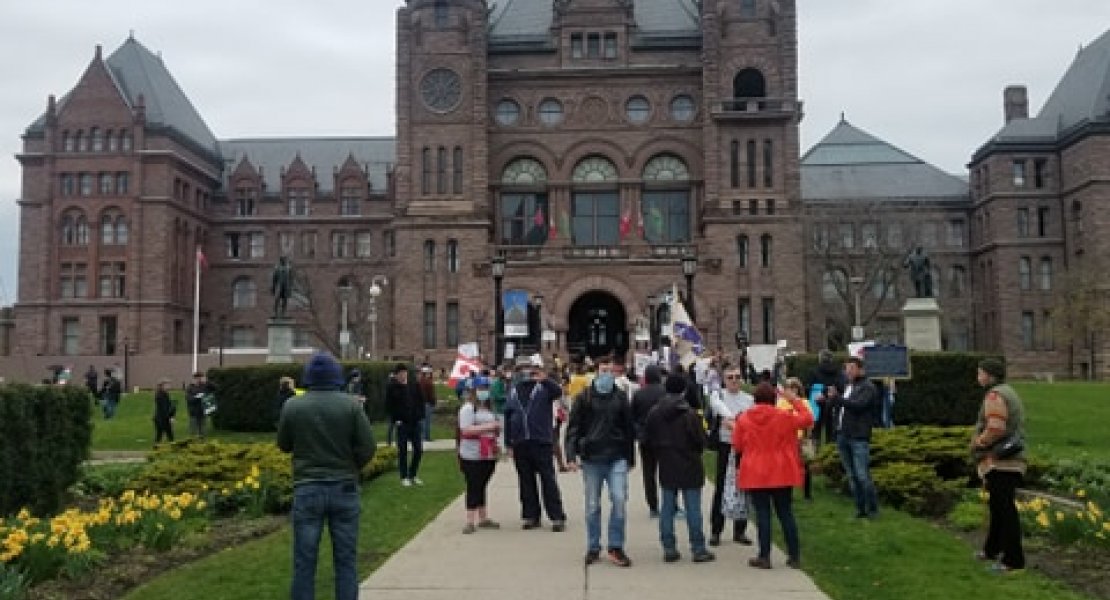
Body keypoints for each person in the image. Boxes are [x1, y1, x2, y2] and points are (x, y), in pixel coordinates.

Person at [277, 351, 375, 600]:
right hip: (344, 485)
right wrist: (354, 466)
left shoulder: (293, 405)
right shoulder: (350, 406)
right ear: (337, 377)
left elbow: (284, 444)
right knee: (345, 560)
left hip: (307, 486)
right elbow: (368, 446)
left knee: (304, 561)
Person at [565, 356, 636, 567]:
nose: (606, 374)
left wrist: (630, 456)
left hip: (616, 456)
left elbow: (629, 428)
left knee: (619, 499)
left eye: (610, 371)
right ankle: (593, 546)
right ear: (596, 371)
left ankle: (616, 546)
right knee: (593, 505)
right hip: (592, 458)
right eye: (603, 370)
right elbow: (573, 428)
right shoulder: (584, 397)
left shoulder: (621, 397)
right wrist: (571, 455)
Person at [733, 382, 812, 569]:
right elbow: (808, 419)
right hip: (781, 470)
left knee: (763, 514)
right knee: (785, 512)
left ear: (755, 399)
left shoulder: (744, 419)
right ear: (775, 399)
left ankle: (764, 556)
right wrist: (794, 400)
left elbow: (738, 445)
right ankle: (794, 556)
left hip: (755, 470)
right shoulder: (784, 416)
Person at [644, 375, 715, 563]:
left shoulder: (654, 413)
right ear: (683, 390)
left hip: (666, 462)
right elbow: (700, 440)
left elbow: (648, 437)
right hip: (689, 462)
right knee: (693, 508)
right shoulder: (690, 414)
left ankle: (669, 547)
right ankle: (698, 548)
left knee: (667, 507)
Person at [971, 358, 1026, 573]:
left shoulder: (995, 395)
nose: (978, 377)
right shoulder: (1007, 391)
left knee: (1005, 510)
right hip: (1007, 461)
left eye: (980, 373)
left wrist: (978, 443)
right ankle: (991, 549)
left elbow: (995, 427)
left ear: (990, 375)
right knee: (998, 508)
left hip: (1004, 462)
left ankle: (1013, 560)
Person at [504, 357, 568, 531]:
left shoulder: (544, 388)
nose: (525, 372)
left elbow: (558, 392)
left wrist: (544, 379)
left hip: (541, 440)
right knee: (526, 480)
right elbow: (508, 416)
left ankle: (557, 516)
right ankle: (531, 515)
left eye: (528, 368)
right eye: (521, 369)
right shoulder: (513, 391)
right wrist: (508, 443)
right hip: (520, 442)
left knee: (548, 479)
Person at [707, 365, 754, 546]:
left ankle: (740, 530)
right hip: (725, 445)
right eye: (730, 377)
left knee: (743, 487)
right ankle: (716, 530)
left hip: (743, 447)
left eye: (737, 376)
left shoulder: (748, 399)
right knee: (721, 487)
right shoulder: (719, 397)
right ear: (724, 380)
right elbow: (714, 417)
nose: (734, 380)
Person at [832, 356, 880, 518]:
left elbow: (858, 406)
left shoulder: (867, 387)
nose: (848, 371)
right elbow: (843, 407)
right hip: (843, 434)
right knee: (852, 476)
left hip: (858, 436)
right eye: (846, 368)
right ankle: (860, 509)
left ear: (860, 369)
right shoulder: (848, 387)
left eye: (852, 368)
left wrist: (838, 398)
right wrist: (829, 400)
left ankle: (872, 508)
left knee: (862, 475)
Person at [457, 376, 501, 534]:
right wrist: (488, 427)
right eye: (481, 388)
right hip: (472, 453)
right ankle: (470, 520)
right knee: (473, 485)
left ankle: (483, 517)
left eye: (486, 388)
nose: (485, 391)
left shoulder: (489, 408)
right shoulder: (468, 408)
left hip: (488, 452)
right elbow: (466, 429)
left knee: (482, 484)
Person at [631, 365, 666, 517]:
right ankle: (670, 503)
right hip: (664, 438)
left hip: (645, 438)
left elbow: (632, 416)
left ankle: (653, 505)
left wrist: (637, 433)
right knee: (667, 472)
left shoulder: (639, 394)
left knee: (648, 473)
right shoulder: (665, 392)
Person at [386, 363, 425, 486]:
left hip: (414, 422)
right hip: (402, 423)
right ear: (396, 375)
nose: (403, 375)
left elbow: (420, 400)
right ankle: (404, 476)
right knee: (402, 451)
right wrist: (395, 419)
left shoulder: (414, 385)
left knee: (418, 450)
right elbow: (388, 405)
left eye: (404, 373)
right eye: (400, 374)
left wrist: (420, 415)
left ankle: (412, 474)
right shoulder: (392, 387)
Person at [778, 378, 814, 501]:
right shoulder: (781, 402)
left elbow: (810, 421)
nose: (791, 391)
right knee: (787, 467)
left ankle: (807, 494)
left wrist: (807, 436)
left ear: (798, 389)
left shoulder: (804, 402)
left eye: (794, 388)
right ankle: (789, 493)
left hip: (801, 438)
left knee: (805, 466)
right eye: (789, 388)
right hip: (786, 440)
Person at [807, 350, 845, 446]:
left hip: (817, 404)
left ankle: (816, 453)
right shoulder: (839, 372)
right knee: (831, 429)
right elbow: (841, 387)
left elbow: (809, 388)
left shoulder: (813, 371)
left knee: (816, 431)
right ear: (831, 359)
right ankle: (830, 450)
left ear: (820, 359)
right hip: (834, 403)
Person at [186, 371, 214, 438]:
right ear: (194, 379)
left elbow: (215, 388)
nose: (198, 380)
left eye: (200, 378)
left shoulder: (204, 386)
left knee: (203, 431)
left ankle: (202, 442)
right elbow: (189, 399)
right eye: (197, 378)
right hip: (193, 412)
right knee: (193, 432)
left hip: (202, 411)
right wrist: (197, 397)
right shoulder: (190, 387)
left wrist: (207, 382)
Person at [153, 378, 176, 445]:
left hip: (163, 418)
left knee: (164, 434)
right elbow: (164, 408)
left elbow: (168, 406)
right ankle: (157, 448)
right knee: (165, 434)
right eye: (167, 385)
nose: (169, 386)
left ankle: (157, 447)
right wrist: (170, 417)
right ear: (163, 385)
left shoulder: (165, 394)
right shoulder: (160, 395)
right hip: (161, 418)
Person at [419, 366, 437, 442]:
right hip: (428, 403)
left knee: (422, 421)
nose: (430, 375)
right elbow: (431, 395)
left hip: (421, 403)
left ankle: (422, 437)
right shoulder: (428, 382)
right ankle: (427, 436)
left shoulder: (420, 381)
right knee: (427, 421)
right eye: (429, 373)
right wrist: (434, 402)